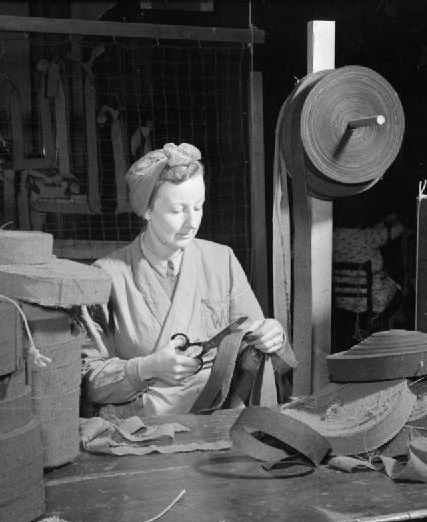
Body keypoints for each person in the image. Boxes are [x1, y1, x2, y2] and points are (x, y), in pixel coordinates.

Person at [82, 142, 291, 416]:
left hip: (217, 416)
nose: (192, 222)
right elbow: (89, 381)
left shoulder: (221, 260)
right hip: (142, 427)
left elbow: (249, 348)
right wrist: (148, 368)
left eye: (199, 206)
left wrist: (271, 337)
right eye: (177, 210)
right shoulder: (106, 276)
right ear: (147, 210)